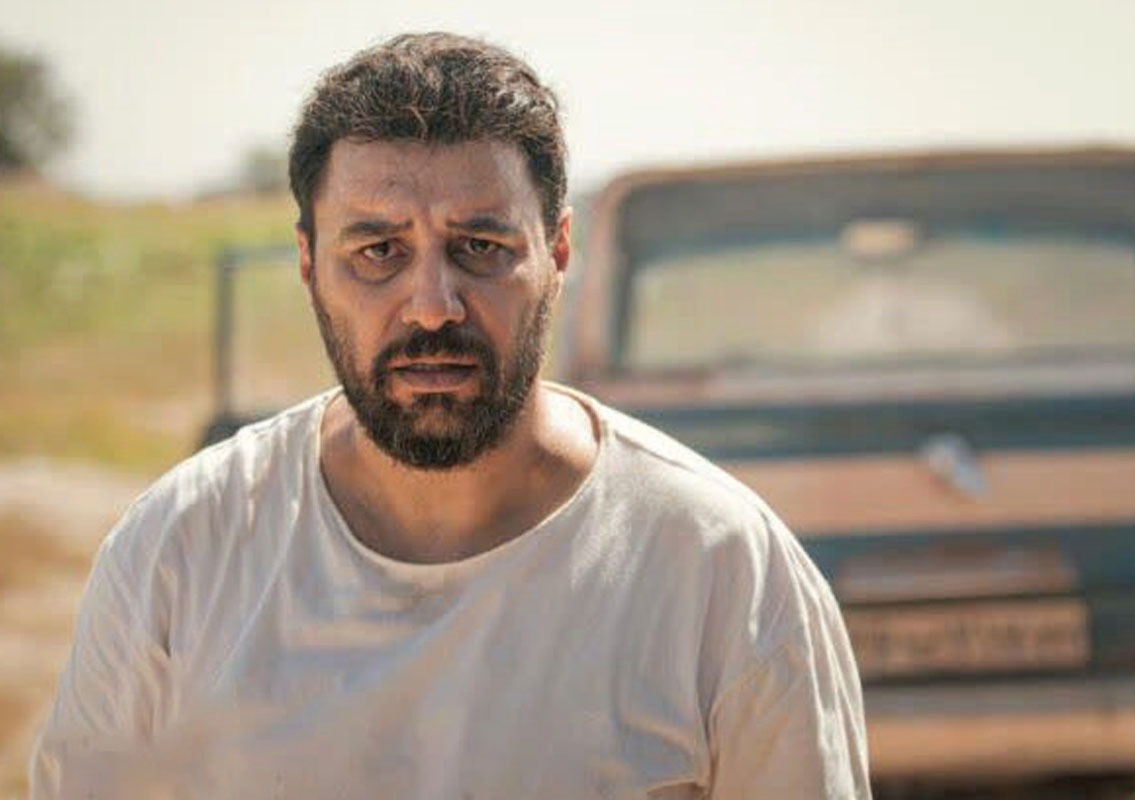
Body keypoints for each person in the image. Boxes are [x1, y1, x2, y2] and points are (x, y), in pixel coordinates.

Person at [30, 33, 870, 799]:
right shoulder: (180, 553)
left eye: (481, 248)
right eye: (378, 252)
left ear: (558, 253)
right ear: (308, 264)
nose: (432, 305)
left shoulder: (721, 569)